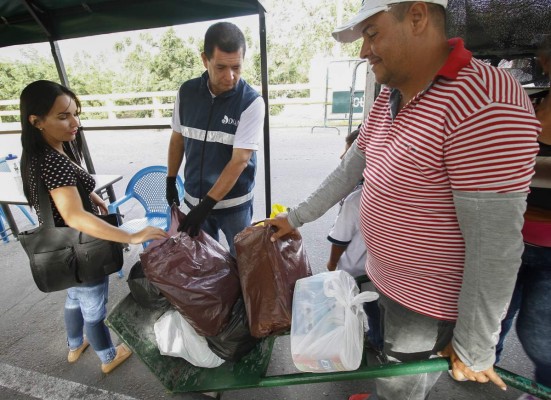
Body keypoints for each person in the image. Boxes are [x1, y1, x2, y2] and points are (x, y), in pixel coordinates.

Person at [266, 1, 540, 399]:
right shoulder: (389, 96)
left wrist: (475, 347)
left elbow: (495, 246)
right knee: (385, 366)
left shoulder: (483, 100)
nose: (363, 51)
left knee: (399, 389)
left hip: (424, 308)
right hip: (383, 279)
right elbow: (350, 169)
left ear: (416, 17)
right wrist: (296, 216)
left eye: (372, 33)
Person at [19, 80, 169, 374]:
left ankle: (75, 345)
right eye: (63, 116)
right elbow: (74, 215)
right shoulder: (54, 160)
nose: (75, 122)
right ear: (36, 121)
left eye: (75, 113)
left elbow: (60, 192)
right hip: (80, 247)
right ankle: (107, 356)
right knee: (93, 307)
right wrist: (131, 235)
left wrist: (92, 195)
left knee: (73, 297)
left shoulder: (36, 154)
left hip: (58, 249)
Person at [166, 21, 265, 255]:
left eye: (237, 68)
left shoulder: (251, 102)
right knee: (204, 265)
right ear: (204, 59)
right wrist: (170, 179)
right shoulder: (187, 92)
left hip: (235, 206)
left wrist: (207, 206)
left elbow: (240, 160)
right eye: (221, 67)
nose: (230, 77)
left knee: (243, 261)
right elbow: (177, 139)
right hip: (193, 200)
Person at [495, 36, 551, 400]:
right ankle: (479, 367)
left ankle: (542, 390)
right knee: (494, 317)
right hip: (508, 240)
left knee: (540, 332)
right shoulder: (528, 103)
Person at [326, 128, 383, 353]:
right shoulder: (386, 192)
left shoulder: (356, 199)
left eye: (349, 155)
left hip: (358, 271)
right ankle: (379, 338)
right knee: (379, 308)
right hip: (382, 272)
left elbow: (340, 239)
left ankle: (375, 341)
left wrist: (331, 265)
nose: (342, 158)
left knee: (365, 306)